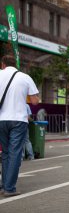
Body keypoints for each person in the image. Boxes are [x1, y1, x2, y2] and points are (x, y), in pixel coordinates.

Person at [0, 55, 39, 196]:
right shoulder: (24, 77)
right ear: (15, 64)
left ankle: (3, 186)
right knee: (15, 153)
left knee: (5, 153)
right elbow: (35, 101)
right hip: (18, 119)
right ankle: (9, 188)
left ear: (3, 64)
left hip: (1, 120)